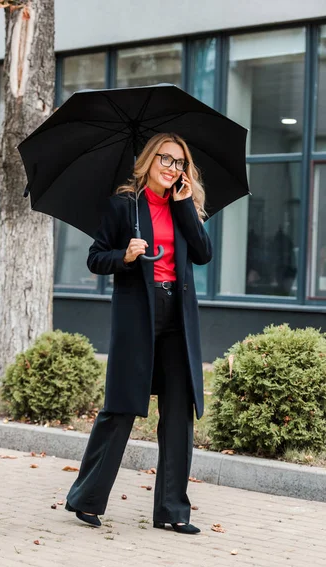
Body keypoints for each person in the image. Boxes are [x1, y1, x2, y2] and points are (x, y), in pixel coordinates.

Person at [65, 132, 212, 534]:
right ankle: (87, 499)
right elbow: (96, 258)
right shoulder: (123, 206)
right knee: (121, 407)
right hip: (137, 315)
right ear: (148, 161)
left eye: (180, 162)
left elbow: (202, 253)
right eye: (165, 159)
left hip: (178, 318)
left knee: (179, 413)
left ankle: (172, 511)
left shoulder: (185, 205)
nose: (172, 168)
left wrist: (183, 206)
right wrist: (125, 256)